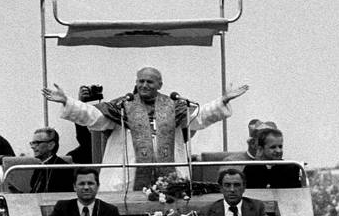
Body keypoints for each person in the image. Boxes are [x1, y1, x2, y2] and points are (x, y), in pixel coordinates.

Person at [42, 67, 248, 191]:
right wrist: (67, 101)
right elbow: (94, 117)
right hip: (127, 181)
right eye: (140, 81)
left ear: (160, 84)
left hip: (170, 182)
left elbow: (199, 117)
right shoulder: (123, 106)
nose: (144, 85)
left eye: (150, 81)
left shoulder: (173, 106)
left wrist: (223, 100)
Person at [46, 168, 124, 216]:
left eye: (90, 183)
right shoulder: (62, 208)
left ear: (98, 186)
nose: (86, 187)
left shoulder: (110, 210)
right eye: (81, 184)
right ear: (74, 187)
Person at [199, 168, 272, 216]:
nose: (232, 190)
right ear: (221, 188)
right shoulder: (207, 211)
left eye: (237, 185)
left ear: (244, 188)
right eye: (227, 185)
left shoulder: (257, 207)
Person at [28, 128, 74, 193]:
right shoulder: (38, 167)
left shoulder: (64, 169)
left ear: (51, 145)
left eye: (37, 143)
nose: (32, 146)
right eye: (32, 143)